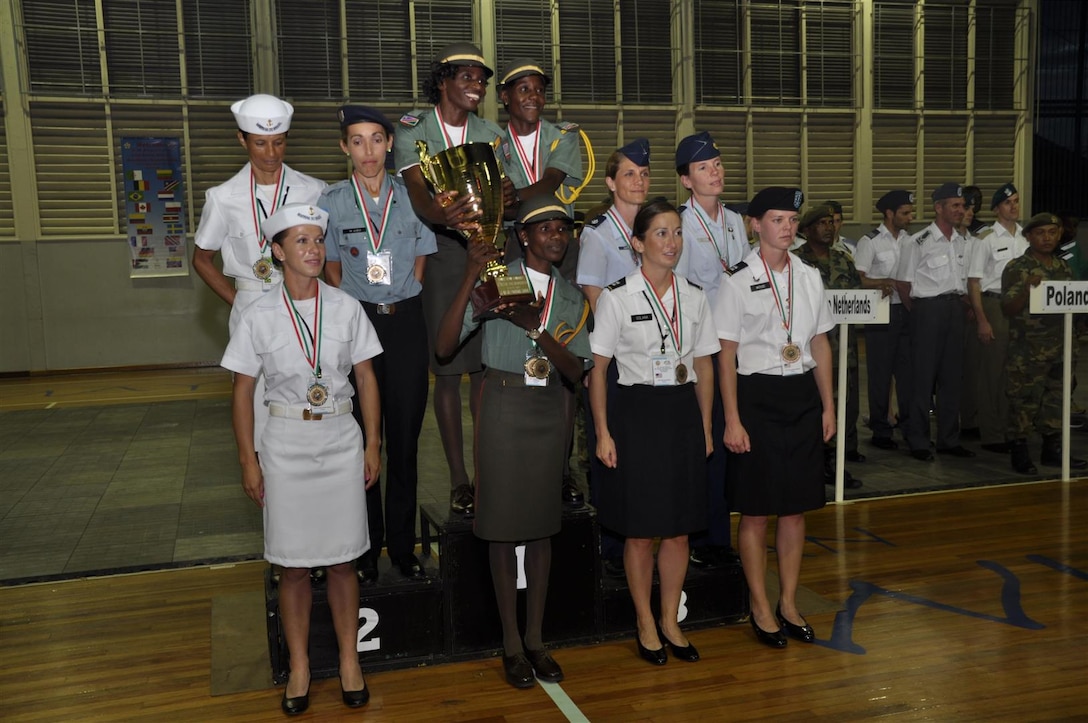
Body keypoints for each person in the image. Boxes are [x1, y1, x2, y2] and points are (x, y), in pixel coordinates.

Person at [221, 204, 382, 716]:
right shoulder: (257, 314)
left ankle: (349, 662)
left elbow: (367, 380)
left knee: (343, 560)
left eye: (318, 240)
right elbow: (242, 392)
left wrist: (372, 444)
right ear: (277, 251)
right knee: (291, 568)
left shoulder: (345, 307)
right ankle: (299, 666)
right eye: (302, 242)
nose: (314, 250)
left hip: (339, 440)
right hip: (286, 444)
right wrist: (249, 459)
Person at [435, 195, 591, 688]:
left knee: (543, 529)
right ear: (522, 237)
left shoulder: (570, 296)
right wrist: (468, 276)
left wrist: (538, 329)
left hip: (549, 408)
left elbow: (575, 369)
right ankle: (510, 643)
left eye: (562, 229)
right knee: (502, 528)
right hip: (502, 404)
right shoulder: (500, 279)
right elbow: (443, 347)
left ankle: (537, 639)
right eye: (545, 228)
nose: (556, 236)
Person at [590, 200, 719, 666]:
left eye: (678, 232)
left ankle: (670, 620)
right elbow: (599, 370)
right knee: (641, 533)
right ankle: (644, 621)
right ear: (638, 243)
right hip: (636, 414)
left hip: (682, 413)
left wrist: (705, 425)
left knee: (680, 531)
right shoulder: (617, 297)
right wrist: (603, 433)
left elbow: (704, 362)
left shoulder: (695, 295)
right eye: (661, 234)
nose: (672, 242)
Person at [714, 186, 835, 649]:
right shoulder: (736, 279)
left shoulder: (808, 275)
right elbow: (725, 354)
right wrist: (732, 418)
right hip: (756, 396)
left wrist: (827, 406)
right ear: (755, 224)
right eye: (777, 219)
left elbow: (820, 342)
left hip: (801, 394)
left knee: (795, 508)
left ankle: (788, 601)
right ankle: (760, 605)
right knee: (757, 510)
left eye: (791, 220)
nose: (786, 227)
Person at [394, 42, 510, 517]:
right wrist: (444, 216)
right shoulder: (413, 130)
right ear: (442, 81)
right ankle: (459, 480)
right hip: (442, 250)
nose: (476, 86)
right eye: (466, 77)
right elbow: (418, 193)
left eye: (481, 79)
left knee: (483, 368)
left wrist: (505, 195)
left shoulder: (489, 132)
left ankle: (486, 472)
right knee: (447, 369)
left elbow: (502, 193)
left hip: (487, 248)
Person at [322, 105, 437, 581]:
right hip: (356, 324)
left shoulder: (414, 197)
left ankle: (402, 546)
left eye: (376, 139)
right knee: (362, 442)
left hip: (405, 323)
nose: (367, 151)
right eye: (357, 141)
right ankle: (366, 548)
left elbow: (422, 260)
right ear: (344, 147)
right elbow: (329, 267)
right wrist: (355, 309)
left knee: (404, 441)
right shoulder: (331, 202)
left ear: (390, 143)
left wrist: (398, 300)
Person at [193, 94, 327, 454]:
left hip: (303, 299)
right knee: (254, 397)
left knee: (309, 387)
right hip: (251, 302)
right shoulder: (223, 197)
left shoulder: (312, 190)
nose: (271, 153)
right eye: (261, 143)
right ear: (242, 139)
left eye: (279, 142)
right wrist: (240, 300)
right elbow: (202, 258)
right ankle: (262, 471)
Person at [496, 57, 586, 508]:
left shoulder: (562, 136)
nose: (533, 97)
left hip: (554, 247)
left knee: (563, 354)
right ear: (505, 97)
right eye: (523, 90)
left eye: (539, 90)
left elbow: (549, 186)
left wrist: (507, 198)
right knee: (506, 349)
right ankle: (502, 453)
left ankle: (564, 465)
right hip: (511, 249)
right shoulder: (491, 142)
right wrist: (502, 207)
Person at [575, 139, 652, 576]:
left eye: (643, 175)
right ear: (610, 182)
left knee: (641, 450)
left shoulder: (654, 225)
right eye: (629, 175)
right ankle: (609, 545)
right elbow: (593, 293)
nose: (638, 182)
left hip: (652, 354)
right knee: (608, 450)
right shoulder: (598, 232)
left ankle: (639, 531)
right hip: (616, 354)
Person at [674, 130, 749, 568]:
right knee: (705, 440)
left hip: (735, 345)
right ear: (686, 179)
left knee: (731, 438)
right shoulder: (679, 223)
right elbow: (680, 290)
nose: (714, 172)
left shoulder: (736, 221)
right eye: (704, 167)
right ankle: (702, 536)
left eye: (717, 164)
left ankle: (720, 532)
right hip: (700, 347)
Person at [893, 182, 976, 461]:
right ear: (938, 207)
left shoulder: (963, 241)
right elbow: (904, 284)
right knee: (922, 378)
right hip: (927, 310)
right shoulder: (918, 241)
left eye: (962, 206)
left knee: (952, 377)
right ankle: (918, 439)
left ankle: (948, 439)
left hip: (956, 308)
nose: (961, 210)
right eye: (955, 205)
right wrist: (921, 312)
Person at [1001, 212, 1087, 474]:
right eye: (1040, 232)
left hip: (1061, 347)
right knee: (1024, 400)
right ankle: (1019, 450)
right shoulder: (1018, 267)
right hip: (1029, 350)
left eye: (1052, 232)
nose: (1047, 238)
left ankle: (1053, 450)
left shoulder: (1063, 268)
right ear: (1029, 236)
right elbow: (1008, 308)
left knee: (1056, 400)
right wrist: (1026, 290)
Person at [793, 204, 863, 488]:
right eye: (821, 223)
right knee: (812, 405)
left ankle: (837, 461)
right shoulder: (796, 262)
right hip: (809, 350)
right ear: (807, 230)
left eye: (830, 223)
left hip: (842, 348)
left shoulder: (844, 261)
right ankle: (813, 461)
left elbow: (858, 299)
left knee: (842, 404)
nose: (828, 228)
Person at [965, 183, 1026, 454]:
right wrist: (982, 319)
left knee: (1015, 371)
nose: (1013, 206)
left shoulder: (1026, 238)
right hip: (994, 305)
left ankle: (1010, 427)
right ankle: (992, 433)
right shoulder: (986, 239)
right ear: (996, 208)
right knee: (992, 372)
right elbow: (974, 282)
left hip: (1021, 308)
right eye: (1008, 202)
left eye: (1016, 201)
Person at [854, 190, 915, 449]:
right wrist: (883, 282)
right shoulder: (871, 242)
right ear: (889, 214)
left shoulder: (910, 241)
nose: (910, 217)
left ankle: (909, 426)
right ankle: (880, 430)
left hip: (906, 311)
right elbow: (859, 278)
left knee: (907, 373)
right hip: (881, 312)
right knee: (880, 374)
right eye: (905, 213)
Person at [959, 185, 985, 439]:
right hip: (952, 309)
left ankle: (971, 419)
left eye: (972, 208)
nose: (970, 211)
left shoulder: (977, 241)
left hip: (972, 311)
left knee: (972, 368)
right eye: (965, 206)